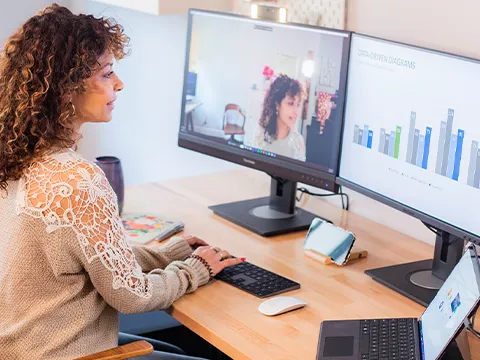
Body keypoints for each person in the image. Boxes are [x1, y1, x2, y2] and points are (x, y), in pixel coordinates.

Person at [0, 4, 243, 359]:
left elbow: (92, 259)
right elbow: (132, 295)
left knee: (176, 346)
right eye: (106, 74)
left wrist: (166, 254)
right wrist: (197, 268)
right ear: (68, 87)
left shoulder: (18, 157)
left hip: (22, 350)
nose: (119, 84)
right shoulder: (78, 180)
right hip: (71, 355)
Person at [255, 74, 307, 161]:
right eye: (290, 104)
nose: (296, 112)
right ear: (277, 105)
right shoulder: (260, 136)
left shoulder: (298, 142)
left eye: (297, 105)